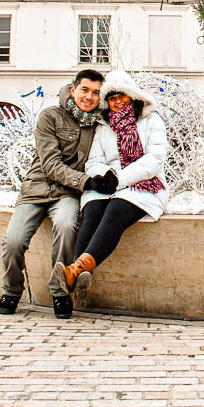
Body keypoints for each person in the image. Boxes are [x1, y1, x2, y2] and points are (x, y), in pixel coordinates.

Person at [0, 69, 114, 319]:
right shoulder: (50, 116)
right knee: (13, 241)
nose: (89, 97)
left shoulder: (99, 123)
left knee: (66, 226)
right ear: (73, 90)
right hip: (36, 190)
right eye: (85, 90)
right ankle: (11, 290)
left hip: (68, 194)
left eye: (96, 93)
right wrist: (88, 182)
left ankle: (60, 293)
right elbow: (50, 164)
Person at [54, 69, 168, 307]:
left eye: (121, 97)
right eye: (112, 98)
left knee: (116, 209)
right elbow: (94, 160)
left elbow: (155, 159)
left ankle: (75, 271)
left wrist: (120, 179)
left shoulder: (151, 121)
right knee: (93, 209)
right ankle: (78, 276)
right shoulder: (104, 126)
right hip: (109, 183)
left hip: (143, 184)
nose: (116, 102)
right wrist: (101, 178)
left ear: (132, 96)